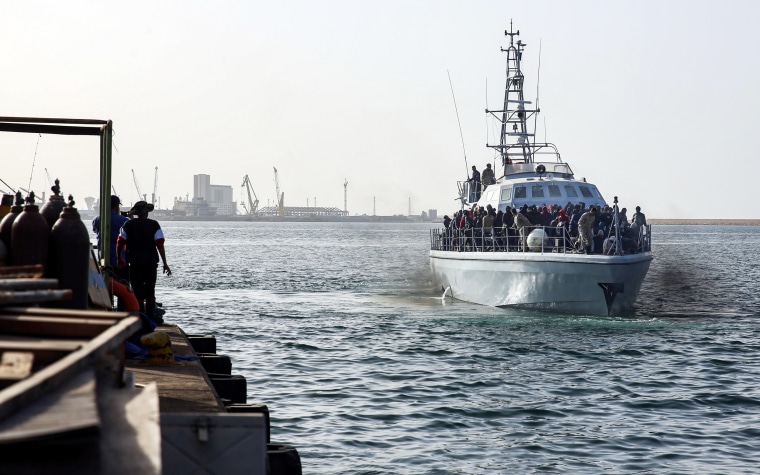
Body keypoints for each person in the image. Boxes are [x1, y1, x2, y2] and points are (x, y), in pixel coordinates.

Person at [116, 201, 171, 324]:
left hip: (134, 263)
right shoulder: (154, 225)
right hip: (151, 263)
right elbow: (160, 244)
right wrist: (165, 263)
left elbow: (119, 243)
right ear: (146, 212)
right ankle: (150, 318)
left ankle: (140, 317)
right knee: (150, 291)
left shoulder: (128, 225)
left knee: (137, 291)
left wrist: (120, 259)